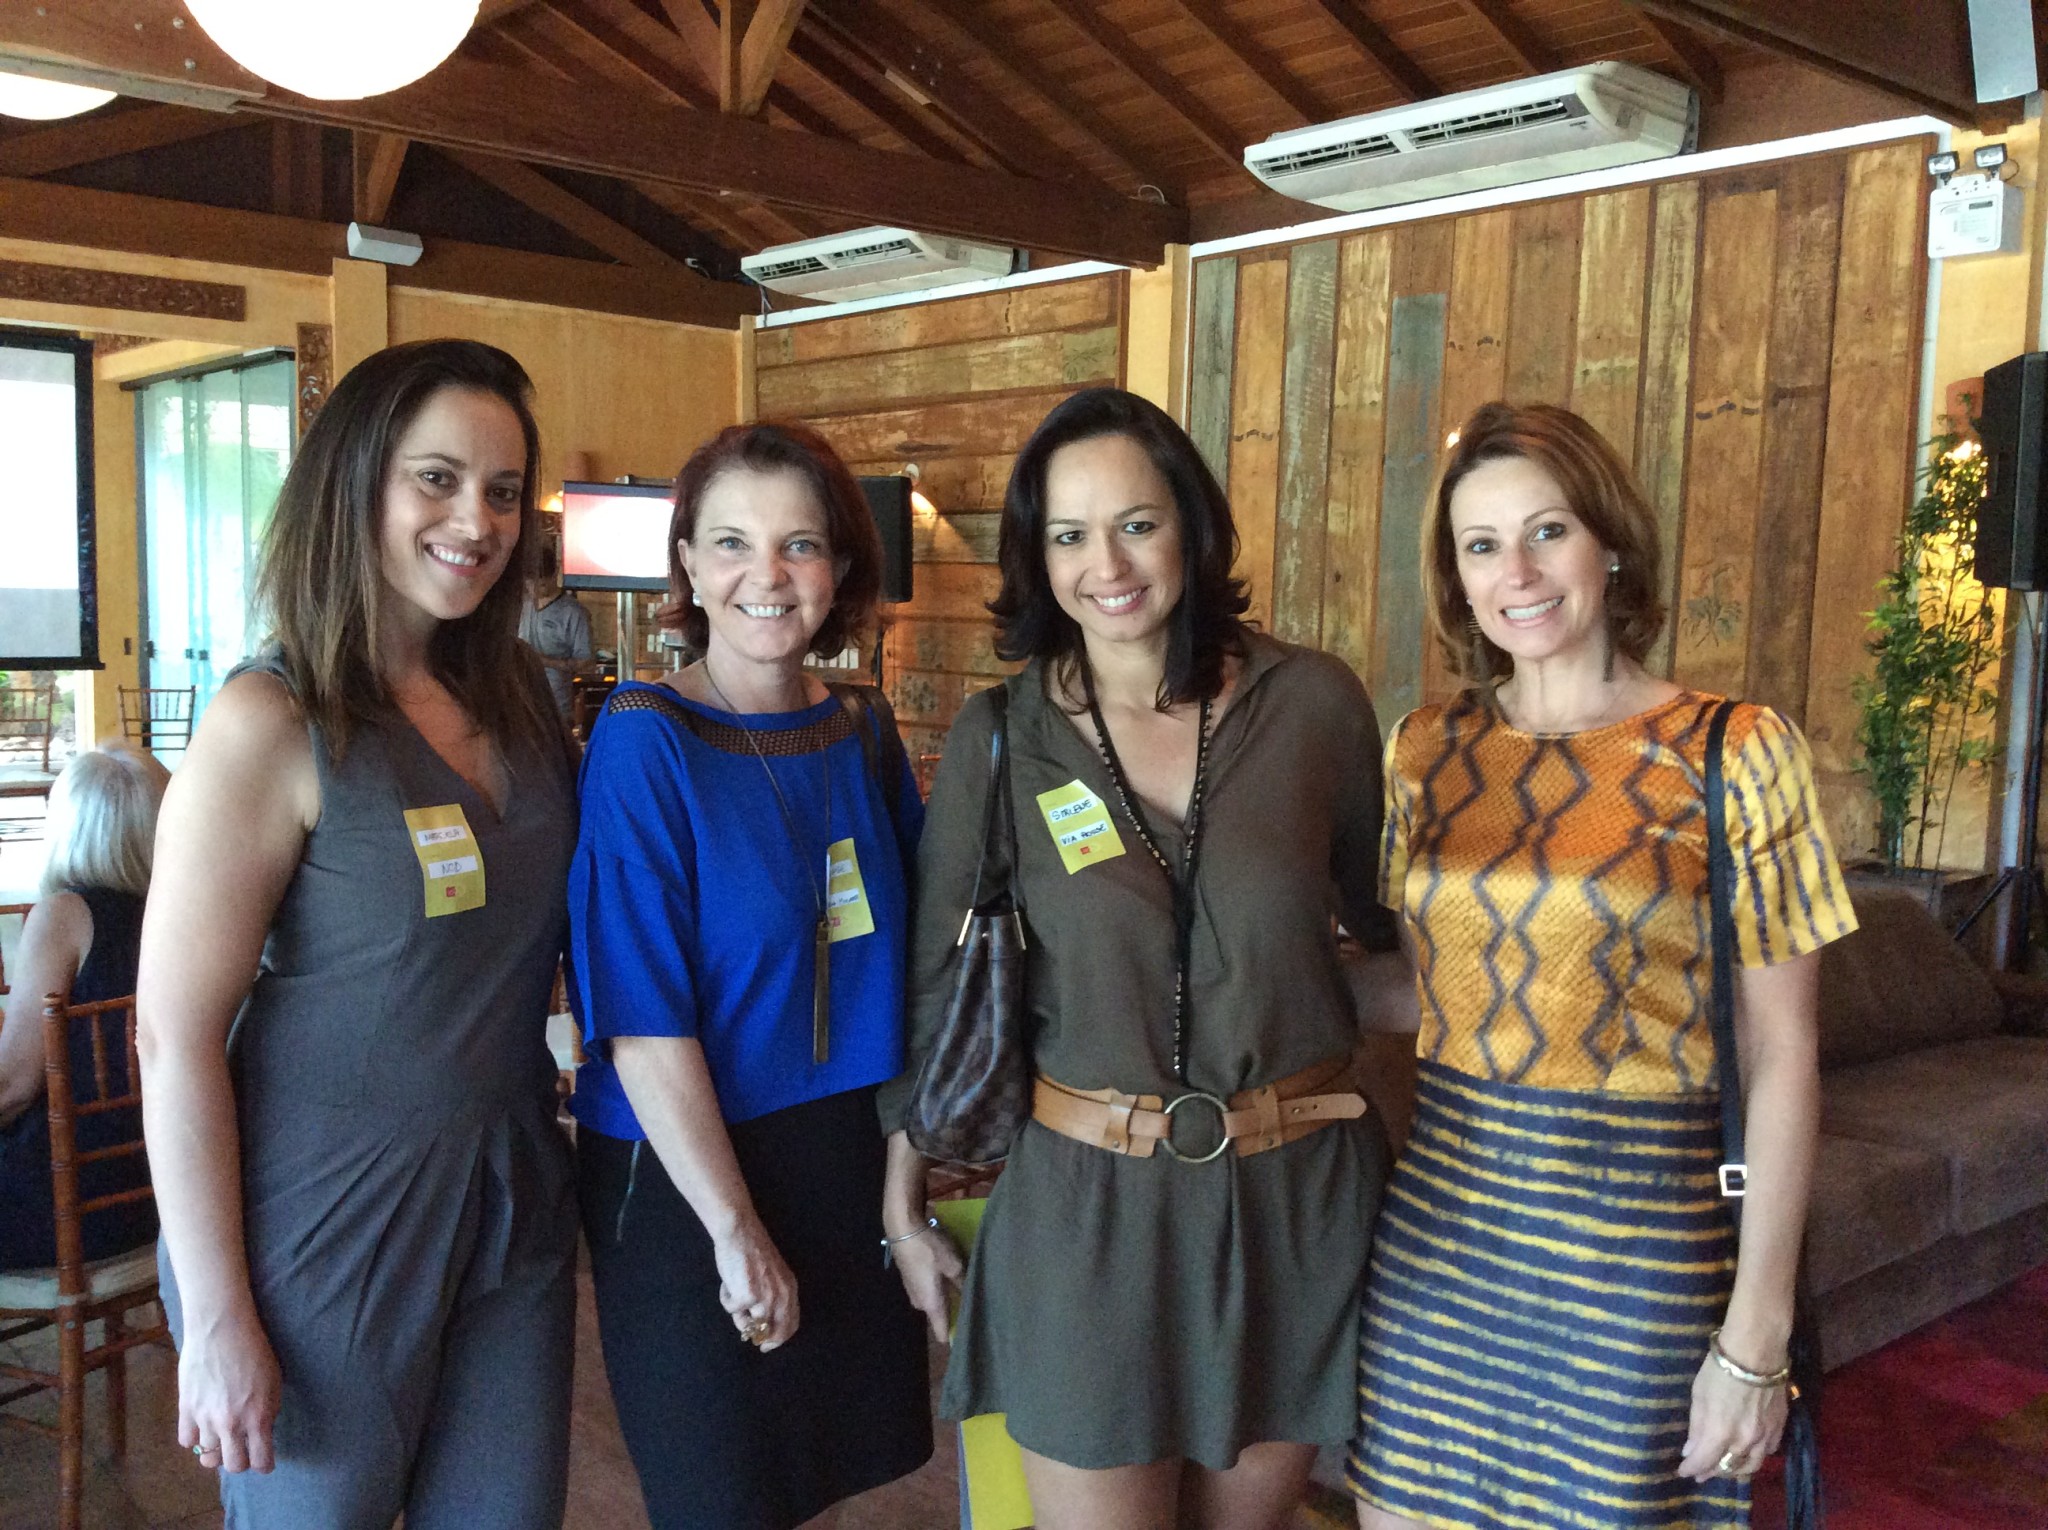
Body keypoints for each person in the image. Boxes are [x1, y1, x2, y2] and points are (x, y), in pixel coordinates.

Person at [882, 386, 1402, 1529]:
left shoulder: (1313, 703)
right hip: (1086, 1212)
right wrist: (901, 1199)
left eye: (1134, 522)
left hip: (1290, 1202)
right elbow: (937, 980)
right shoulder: (1000, 739)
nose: (1103, 564)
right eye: (1066, 535)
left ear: (1189, 527)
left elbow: (1383, 934)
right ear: (1034, 555)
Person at [1347, 401, 1857, 1530]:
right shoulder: (1422, 751)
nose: (1514, 573)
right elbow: (1429, 988)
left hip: (1636, 1252)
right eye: (1480, 547)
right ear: (1455, 577)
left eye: (1546, 532)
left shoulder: (1733, 747)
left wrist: (1754, 1335)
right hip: (1441, 1234)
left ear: (1608, 542)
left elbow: (1781, 1058)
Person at [137, 339, 579, 1528]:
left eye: (499, 491)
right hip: (321, 1219)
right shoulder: (269, 719)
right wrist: (220, 1316)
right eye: (435, 479)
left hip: (510, 1189)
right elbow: (172, 1036)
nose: (474, 520)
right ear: (357, 484)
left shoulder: (524, 699)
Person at [569, 421, 932, 1530]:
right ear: (685, 564)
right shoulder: (645, 737)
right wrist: (734, 1229)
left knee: (814, 1475)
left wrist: (903, 1192)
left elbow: (925, 976)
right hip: (687, 1177)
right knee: (719, 1494)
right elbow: (639, 1016)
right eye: (729, 544)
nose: (764, 578)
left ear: (839, 567)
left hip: (844, 1155)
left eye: (799, 546)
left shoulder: (864, 734)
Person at [0, 743, 168, 1269]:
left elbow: (13, 1086)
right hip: (159, 1196)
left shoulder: (64, 916)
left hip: (63, 1205)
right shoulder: (183, 918)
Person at [520, 537, 596, 725]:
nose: (535, 589)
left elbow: (587, 662)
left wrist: (546, 661)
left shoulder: (573, 613)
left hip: (555, 708)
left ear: (555, 574)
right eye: (530, 584)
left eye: (542, 584)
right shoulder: (521, 605)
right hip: (518, 704)